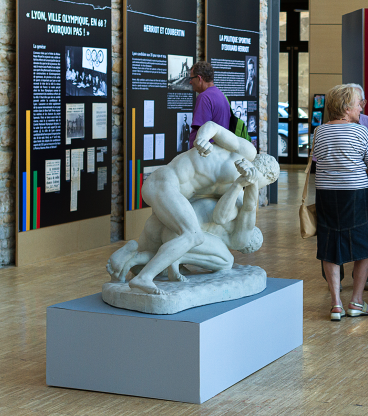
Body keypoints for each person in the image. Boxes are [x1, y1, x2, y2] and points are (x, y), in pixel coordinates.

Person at [106, 121, 261, 294]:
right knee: (193, 235)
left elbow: (222, 215)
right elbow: (214, 127)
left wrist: (244, 184)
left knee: (157, 243)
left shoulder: (238, 188)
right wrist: (202, 138)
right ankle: (144, 278)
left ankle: (127, 257)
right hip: (165, 182)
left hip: (170, 192)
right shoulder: (247, 152)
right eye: (268, 178)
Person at [314, 84, 368, 321]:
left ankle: (336, 305)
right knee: (364, 245)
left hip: (326, 195)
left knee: (329, 245)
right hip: (355, 194)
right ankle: (356, 302)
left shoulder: (319, 132)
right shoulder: (360, 131)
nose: (361, 107)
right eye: (358, 102)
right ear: (345, 107)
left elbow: (317, 160)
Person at [188, 61, 231, 148]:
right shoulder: (221, 95)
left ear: (199, 78)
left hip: (206, 155)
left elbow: (200, 135)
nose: (190, 82)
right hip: (219, 152)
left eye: (191, 78)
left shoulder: (204, 97)